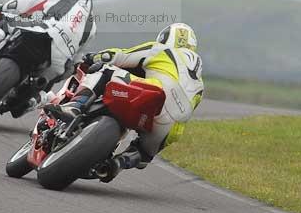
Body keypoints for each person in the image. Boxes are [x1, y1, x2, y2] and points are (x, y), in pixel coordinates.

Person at [59, 22, 204, 182]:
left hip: (155, 90)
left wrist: (91, 58)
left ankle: (75, 106)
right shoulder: (199, 83)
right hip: (169, 125)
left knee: (105, 69)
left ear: (165, 38)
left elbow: (118, 56)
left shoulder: (162, 49)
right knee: (144, 154)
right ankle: (118, 164)